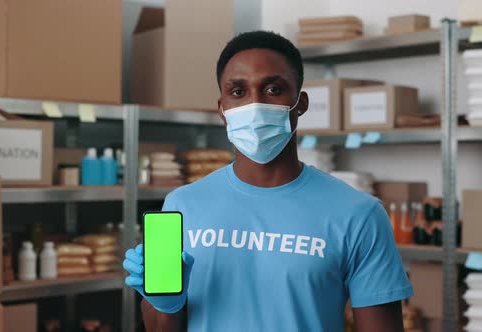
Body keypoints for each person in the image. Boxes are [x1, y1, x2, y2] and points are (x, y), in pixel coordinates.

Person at [123, 30, 413, 331]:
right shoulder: (182, 205)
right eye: (238, 92)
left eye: (273, 89)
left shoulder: (358, 214)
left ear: (300, 103)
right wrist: (167, 304)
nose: (255, 104)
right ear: (222, 109)